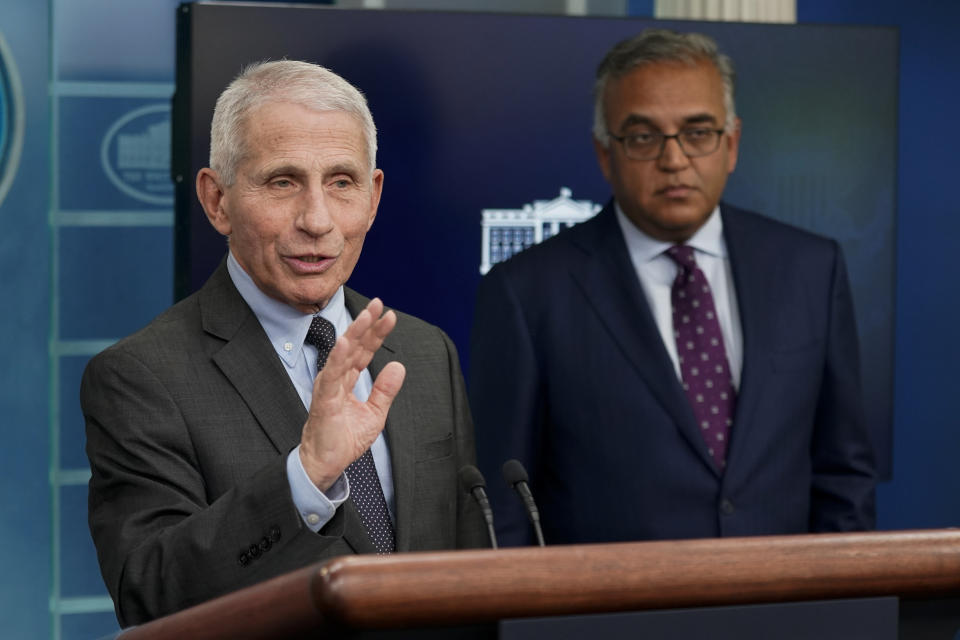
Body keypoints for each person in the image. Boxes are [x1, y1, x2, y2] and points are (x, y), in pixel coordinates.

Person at [82, 60, 487, 626]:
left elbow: (469, 574)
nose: (317, 220)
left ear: (372, 198)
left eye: (341, 182)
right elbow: (151, 595)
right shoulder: (141, 377)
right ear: (217, 200)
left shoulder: (424, 352)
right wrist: (306, 477)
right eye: (282, 182)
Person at [470, 29, 877, 547]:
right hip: (609, 618)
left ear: (731, 144)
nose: (674, 159)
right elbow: (505, 504)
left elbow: (844, 473)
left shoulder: (810, 268)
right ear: (604, 154)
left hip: (783, 610)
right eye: (643, 137)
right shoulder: (527, 291)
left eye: (698, 132)